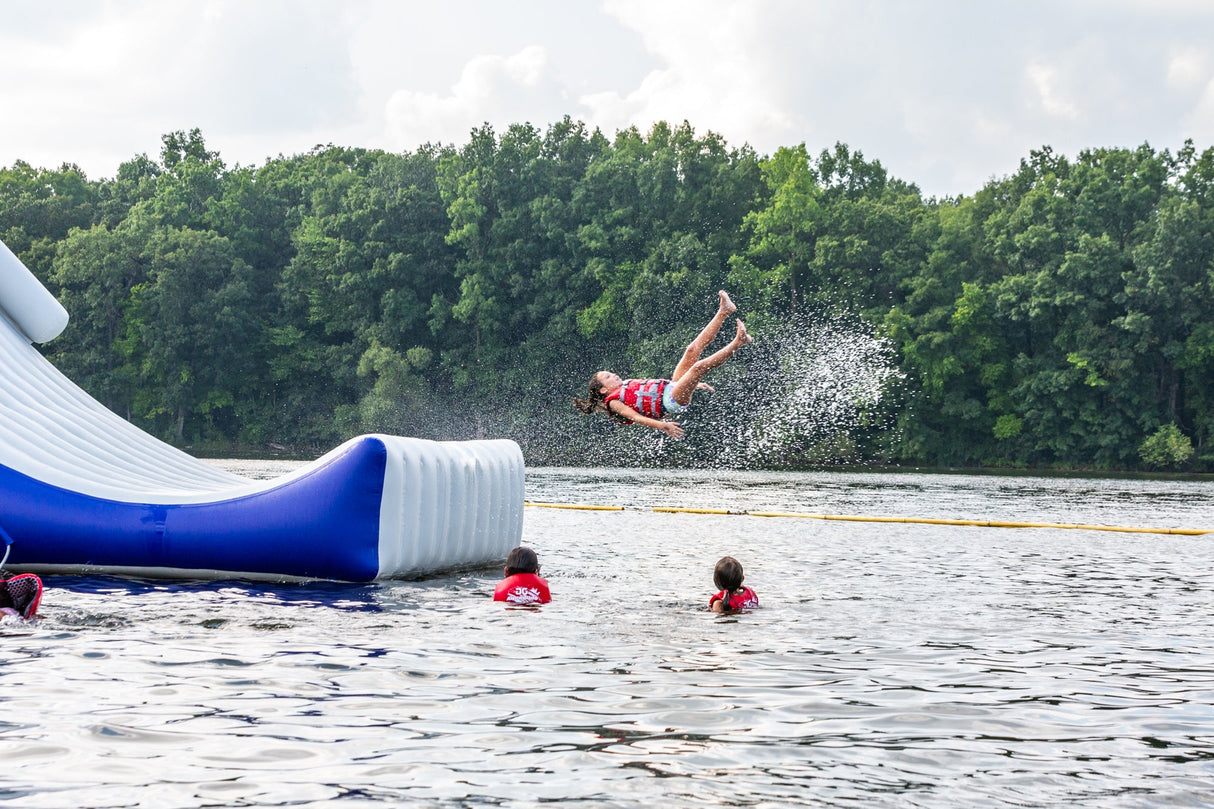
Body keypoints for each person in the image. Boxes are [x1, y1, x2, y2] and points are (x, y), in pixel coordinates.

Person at [573, 290, 752, 439]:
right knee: (698, 367)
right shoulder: (613, 403)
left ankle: (724, 311)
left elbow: (652, 389)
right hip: (671, 401)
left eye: (611, 373)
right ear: (603, 390)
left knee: (692, 350)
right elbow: (636, 417)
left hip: (672, 386)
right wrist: (662, 426)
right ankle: (738, 342)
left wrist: (694, 385)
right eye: (608, 377)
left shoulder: (626, 385)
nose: (613, 375)